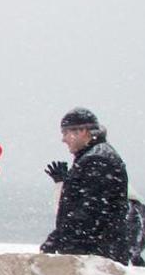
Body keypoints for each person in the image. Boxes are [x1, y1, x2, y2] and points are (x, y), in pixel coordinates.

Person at [40, 108, 131, 262]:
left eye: (65, 133)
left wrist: (59, 237)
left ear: (82, 131)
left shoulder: (97, 160)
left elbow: (90, 210)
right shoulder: (95, 156)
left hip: (95, 255)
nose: (63, 139)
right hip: (97, 251)